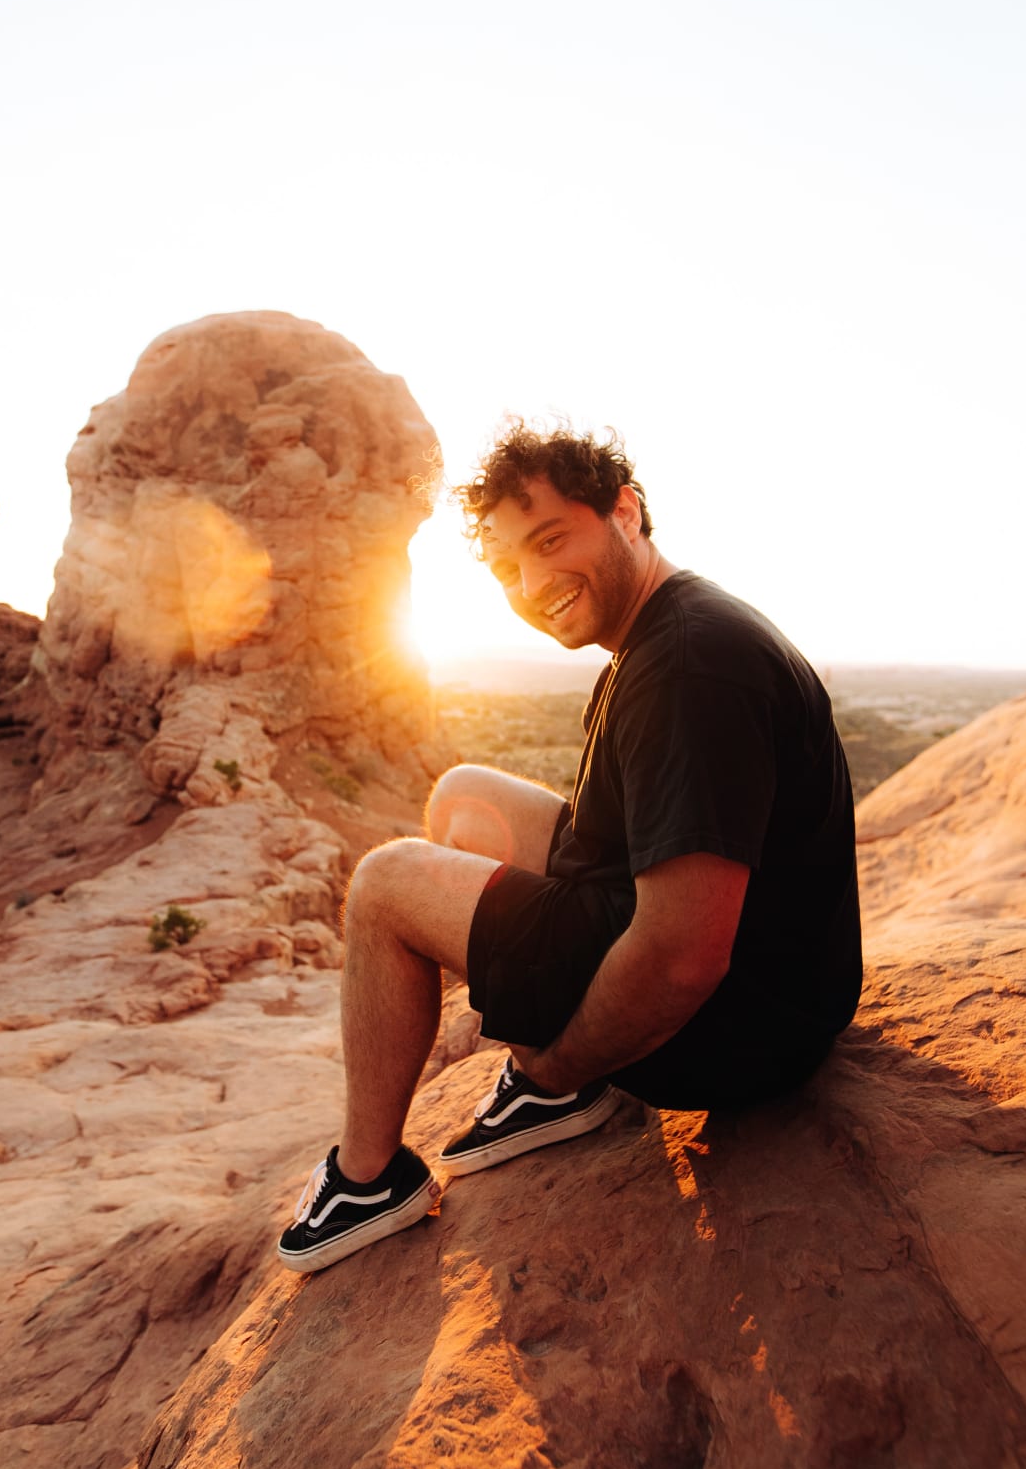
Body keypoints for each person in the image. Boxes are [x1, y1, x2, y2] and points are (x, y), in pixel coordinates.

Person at [278, 423, 862, 1273]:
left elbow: (682, 958)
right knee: (464, 797)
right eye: (509, 567)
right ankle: (549, 1057)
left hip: (740, 1031)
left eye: (551, 540)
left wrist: (555, 1064)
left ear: (624, 511)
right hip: (769, 977)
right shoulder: (668, 626)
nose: (533, 582)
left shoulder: (692, 667)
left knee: (384, 885)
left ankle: (368, 1181)